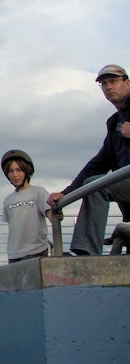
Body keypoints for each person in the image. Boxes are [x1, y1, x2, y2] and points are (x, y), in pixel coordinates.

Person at [47, 64, 130, 255]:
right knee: (93, 182)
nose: (108, 86)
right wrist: (66, 193)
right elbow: (99, 163)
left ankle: (87, 252)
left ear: (128, 84)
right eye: (104, 83)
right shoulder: (114, 123)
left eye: (113, 81)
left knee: (97, 185)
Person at [0, 150, 53, 263]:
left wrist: (56, 216)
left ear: (27, 171)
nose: (15, 175)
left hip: (35, 250)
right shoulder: (8, 199)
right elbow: (14, 225)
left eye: (19, 170)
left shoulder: (38, 192)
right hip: (14, 253)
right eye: (10, 171)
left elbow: (50, 214)